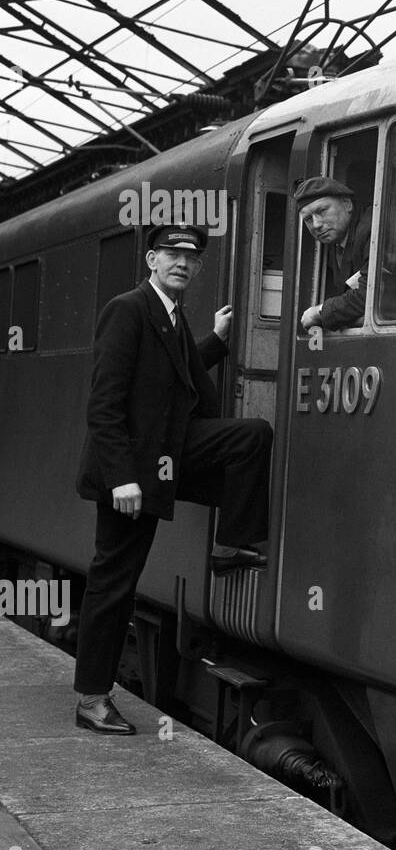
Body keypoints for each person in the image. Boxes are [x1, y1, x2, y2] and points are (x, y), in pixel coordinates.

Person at [73, 224, 273, 735]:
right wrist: (121, 479)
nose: (182, 263)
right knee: (113, 583)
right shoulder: (129, 309)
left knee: (248, 437)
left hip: (161, 462)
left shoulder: (171, 315)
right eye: (171, 254)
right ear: (152, 260)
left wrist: (218, 340)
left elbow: (180, 372)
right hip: (131, 478)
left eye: (191, 258)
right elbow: (104, 403)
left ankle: (230, 546)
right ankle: (92, 700)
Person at [294, 176, 372, 331]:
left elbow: (370, 294)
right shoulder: (333, 248)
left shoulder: (371, 230)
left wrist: (319, 312)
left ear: (347, 204)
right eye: (308, 219)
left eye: (322, 211)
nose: (316, 225)